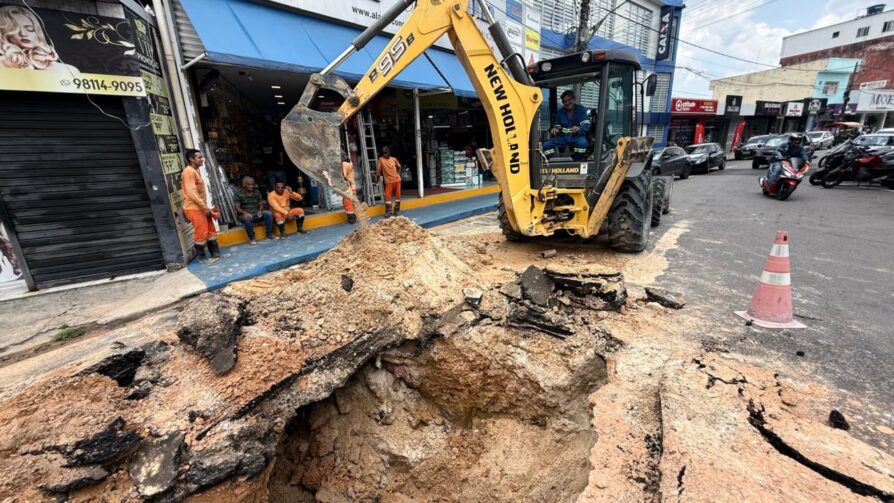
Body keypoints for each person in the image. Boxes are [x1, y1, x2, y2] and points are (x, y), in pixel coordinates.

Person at [0, 6, 76, 71]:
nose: (23, 34)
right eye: (15, 29)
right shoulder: (2, 64)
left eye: (30, 28)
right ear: (5, 33)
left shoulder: (65, 69)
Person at [181, 149, 221, 261]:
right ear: (191, 159)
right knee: (202, 231)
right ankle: (202, 256)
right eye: (199, 157)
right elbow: (191, 192)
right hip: (194, 208)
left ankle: (215, 253)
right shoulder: (189, 171)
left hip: (200, 207)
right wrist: (205, 208)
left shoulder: (195, 171)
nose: (202, 159)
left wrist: (206, 208)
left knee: (210, 230)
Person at [543, 90, 590, 161]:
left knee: (582, 144)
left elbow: (586, 125)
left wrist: (579, 128)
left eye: (569, 100)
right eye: (564, 101)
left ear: (574, 99)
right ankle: (554, 163)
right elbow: (557, 127)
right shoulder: (560, 112)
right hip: (563, 138)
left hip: (577, 137)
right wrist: (555, 130)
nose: (567, 103)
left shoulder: (581, 110)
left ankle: (576, 163)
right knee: (546, 145)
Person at [233, 176, 273, 244]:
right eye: (248, 184)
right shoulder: (239, 193)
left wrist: (260, 210)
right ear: (244, 184)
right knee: (247, 219)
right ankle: (252, 238)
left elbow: (260, 204)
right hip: (244, 214)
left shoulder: (256, 192)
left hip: (255, 213)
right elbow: (237, 208)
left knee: (268, 214)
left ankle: (269, 234)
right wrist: (245, 213)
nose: (251, 186)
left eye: (252, 184)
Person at [375, 147, 402, 216]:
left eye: (386, 153)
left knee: (397, 196)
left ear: (389, 152)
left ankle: (396, 210)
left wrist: (398, 174)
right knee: (387, 196)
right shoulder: (381, 160)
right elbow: (378, 170)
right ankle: (388, 211)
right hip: (389, 181)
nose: (385, 155)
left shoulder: (394, 159)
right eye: (384, 153)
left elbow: (399, 166)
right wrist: (377, 180)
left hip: (397, 180)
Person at [341, 155, 358, 224]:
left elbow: (343, 176)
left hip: (347, 187)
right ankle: (353, 217)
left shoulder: (344, 164)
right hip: (352, 186)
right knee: (349, 203)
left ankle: (352, 219)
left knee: (347, 203)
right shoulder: (350, 164)